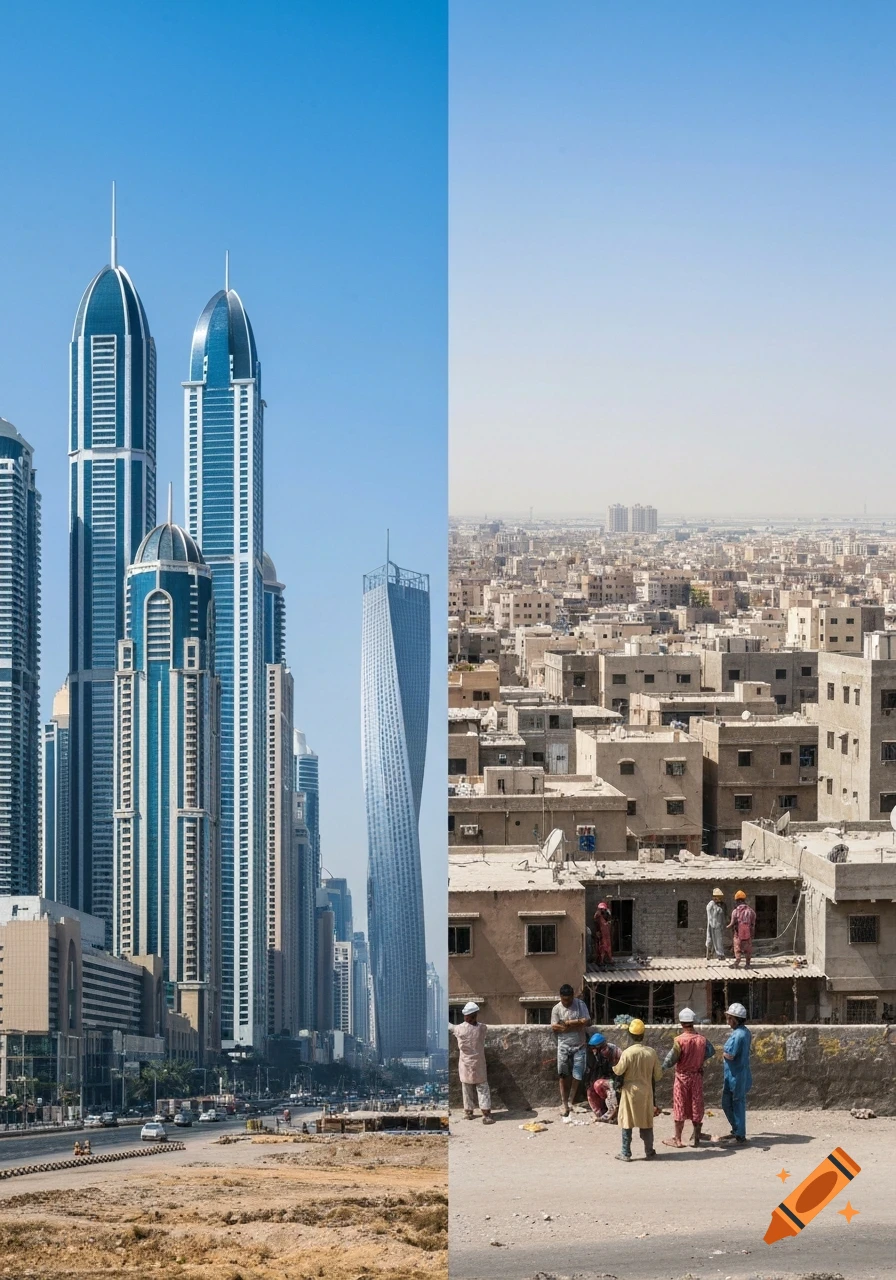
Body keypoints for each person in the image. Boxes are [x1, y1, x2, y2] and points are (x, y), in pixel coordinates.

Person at [661, 1008, 715, 1148]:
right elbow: (711, 1051)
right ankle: (696, 1138)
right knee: (696, 1105)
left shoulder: (679, 1040)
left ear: (681, 1023)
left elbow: (670, 1060)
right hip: (697, 1076)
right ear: (693, 1022)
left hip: (682, 1077)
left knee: (680, 1106)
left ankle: (678, 1139)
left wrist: (660, 1069)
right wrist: (699, 1059)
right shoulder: (702, 1040)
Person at [612, 1018, 663, 1161]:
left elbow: (619, 1071)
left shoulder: (627, 1053)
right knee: (646, 1122)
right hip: (646, 1091)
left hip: (629, 1092)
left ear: (630, 1034)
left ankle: (626, 1152)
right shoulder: (651, 1052)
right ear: (643, 1034)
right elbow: (658, 1075)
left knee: (627, 1121)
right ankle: (649, 1151)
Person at [551, 984, 592, 1115]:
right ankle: (564, 1104)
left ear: (573, 996)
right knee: (563, 1075)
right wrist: (578, 1022)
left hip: (580, 1045)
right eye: (564, 1000)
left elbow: (587, 1021)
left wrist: (568, 1023)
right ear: (560, 997)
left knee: (578, 1075)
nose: (566, 1003)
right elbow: (555, 1026)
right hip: (563, 1045)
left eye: (569, 1000)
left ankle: (571, 1101)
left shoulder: (580, 1005)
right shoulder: (556, 1008)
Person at [452, 1001, 494, 1124]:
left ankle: (468, 1112)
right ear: (475, 1015)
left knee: (466, 1088)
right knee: (482, 1088)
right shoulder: (482, 1028)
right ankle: (486, 1114)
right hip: (479, 1063)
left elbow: (450, 1027)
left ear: (466, 1016)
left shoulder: (459, 1029)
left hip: (465, 1064)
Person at [721, 1002, 752, 1144]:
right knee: (733, 1102)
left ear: (735, 1019)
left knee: (734, 1103)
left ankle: (739, 1133)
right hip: (739, 1073)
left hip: (735, 1075)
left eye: (729, 1019)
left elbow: (730, 1055)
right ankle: (737, 1129)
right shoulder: (746, 1032)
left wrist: (723, 1053)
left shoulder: (738, 1035)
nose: (728, 1022)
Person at [585, 1032, 622, 1122]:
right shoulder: (597, 1055)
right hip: (607, 1078)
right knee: (591, 1091)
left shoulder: (616, 1052)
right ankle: (601, 1114)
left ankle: (613, 1112)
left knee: (599, 1084)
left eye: (594, 1048)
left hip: (619, 1081)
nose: (593, 1050)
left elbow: (623, 1071)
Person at [727, 890, 756, 968]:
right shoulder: (751, 911)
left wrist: (726, 927)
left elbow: (732, 924)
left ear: (737, 901)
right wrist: (752, 933)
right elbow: (753, 924)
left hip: (738, 934)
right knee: (748, 950)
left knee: (737, 948)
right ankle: (747, 964)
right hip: (748, 934)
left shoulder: (735, 911)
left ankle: (737, 962)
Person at [705, 888, 726, 961]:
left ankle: (718, 955)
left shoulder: (718, 905)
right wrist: (713, 925)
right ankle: (710, 955)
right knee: (711, 940)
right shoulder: (710, 905)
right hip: (712, 925)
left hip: (717, 926)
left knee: (718, 940)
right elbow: (711, 916)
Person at [593, 902, 613, 968]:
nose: (603, 910)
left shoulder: (603, 916)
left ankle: (606, 960)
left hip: (605, 935)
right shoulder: (598, 916)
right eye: (602, 909)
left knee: (606, 947)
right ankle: (600, 961)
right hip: (601, 934)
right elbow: (599, 924)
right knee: (601, 947)